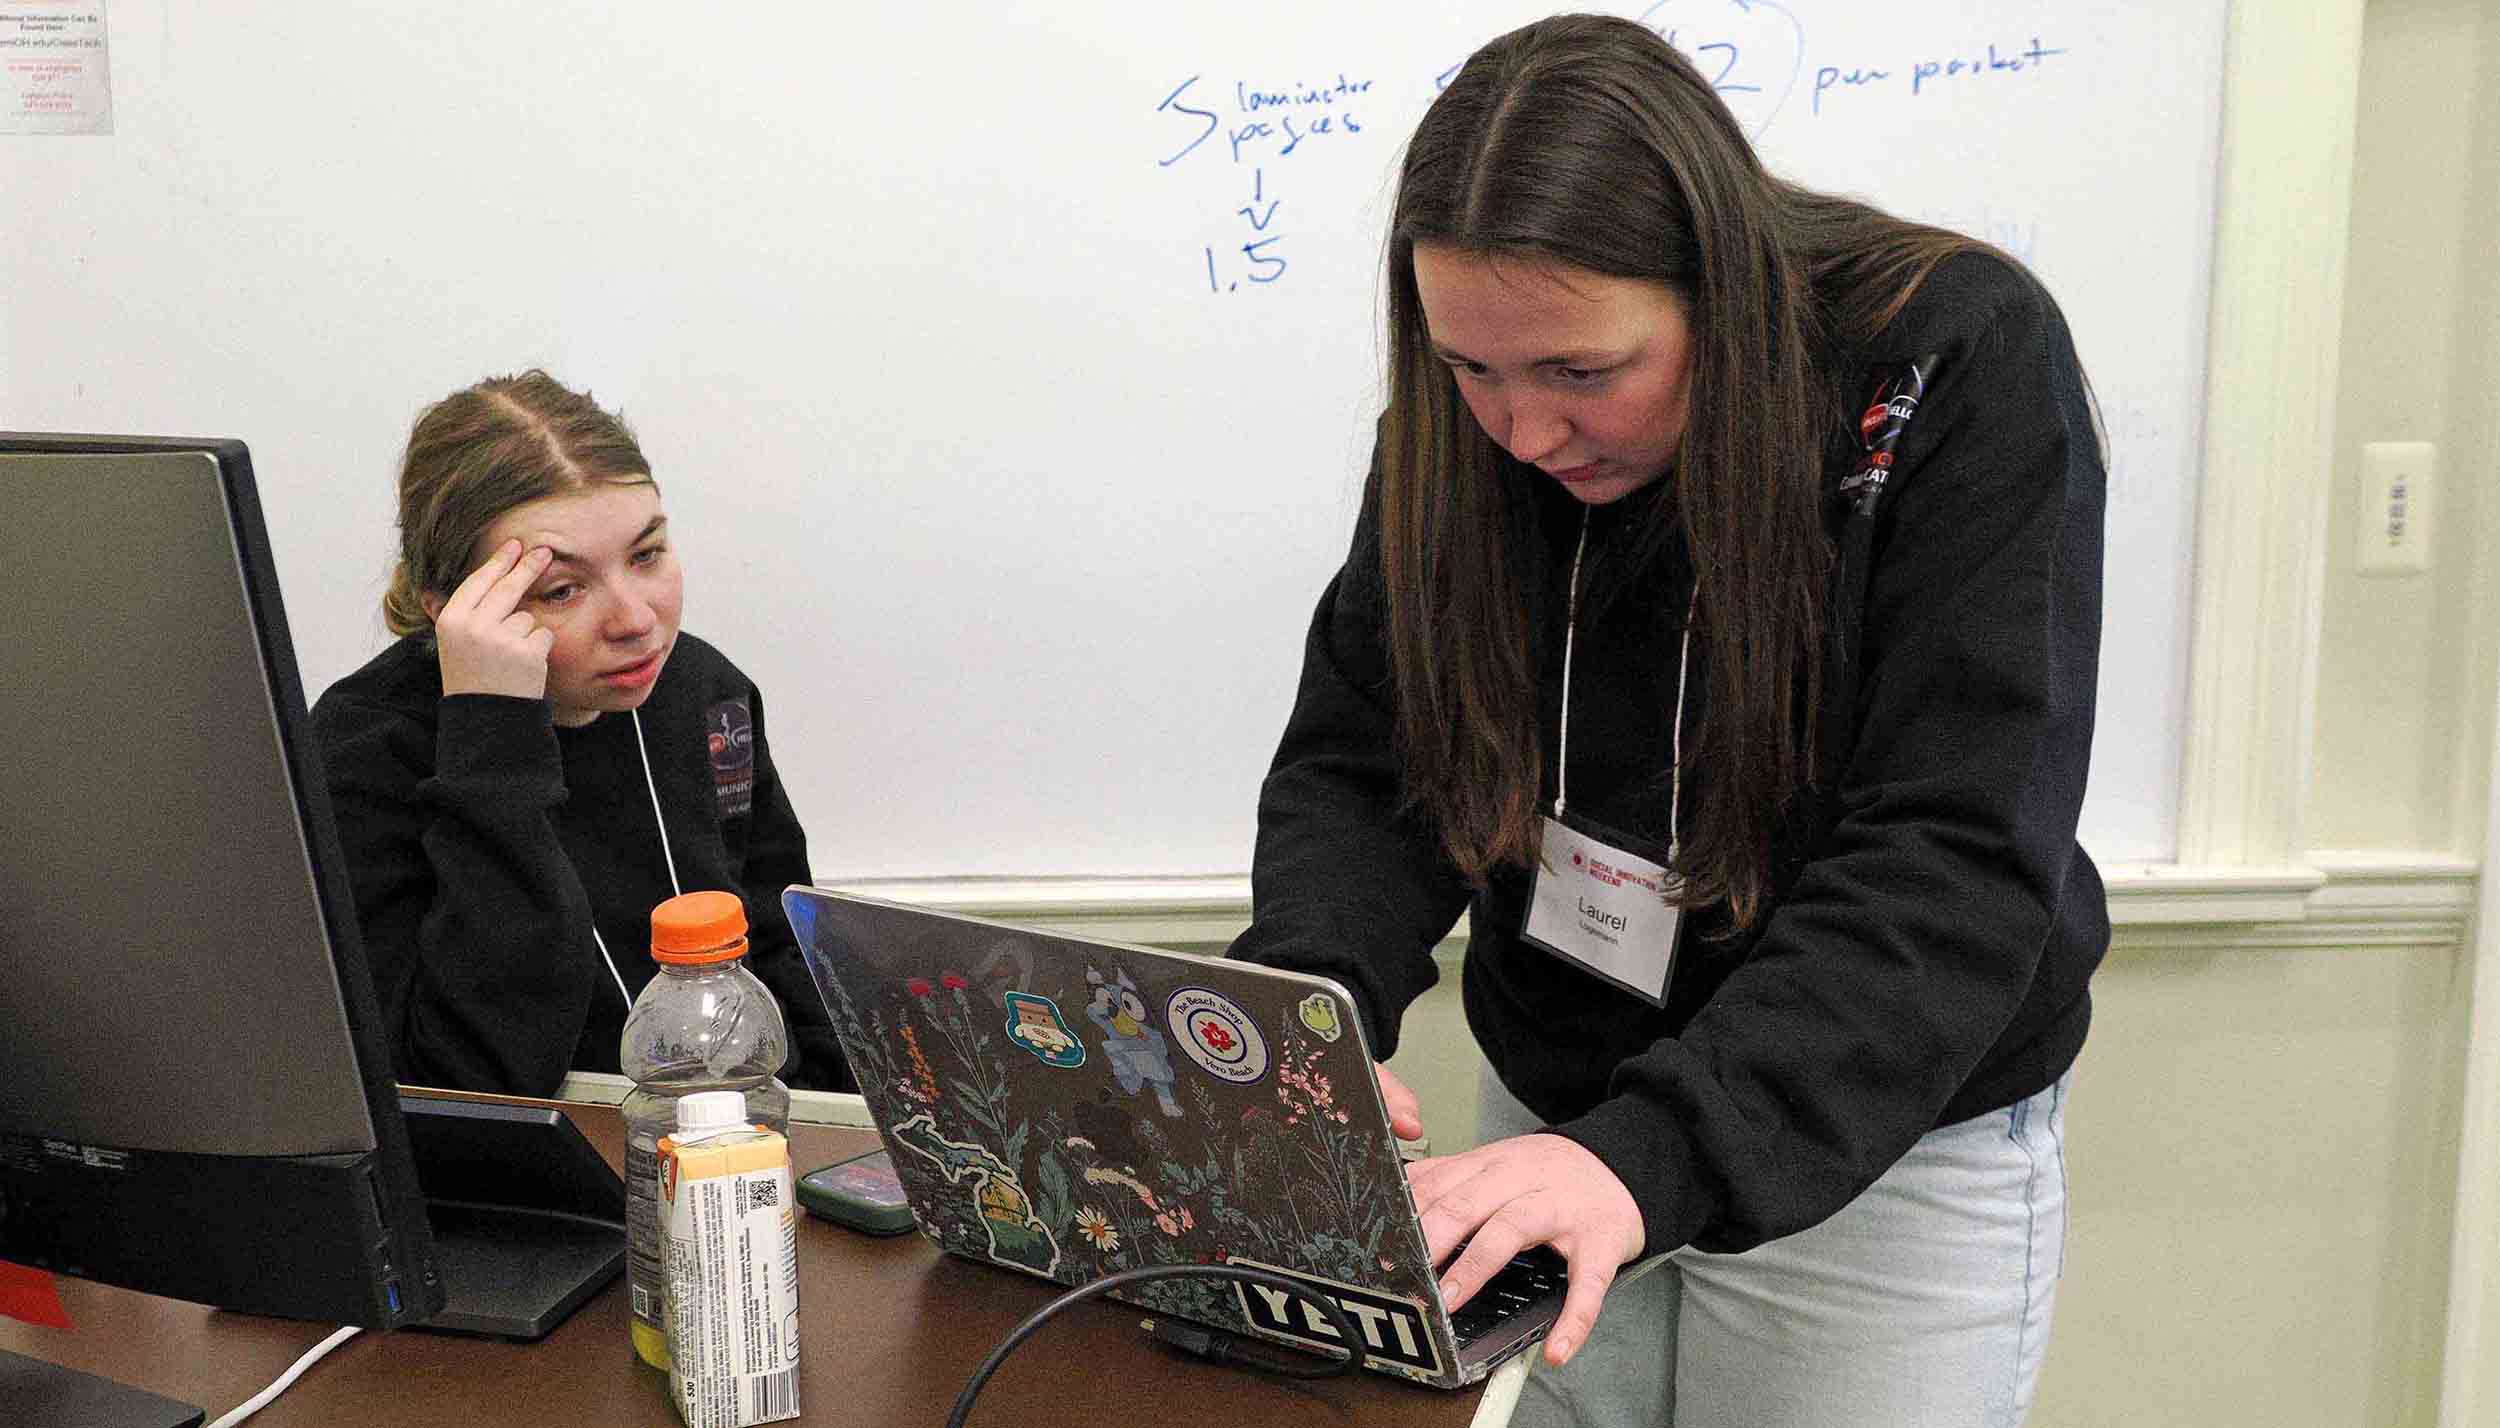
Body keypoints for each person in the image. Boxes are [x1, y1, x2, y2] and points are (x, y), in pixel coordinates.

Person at [1226, 16, 2103, 1427]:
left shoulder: (1952, 358)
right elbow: (1376, 752)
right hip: (1568, 1103)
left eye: (1584, 374)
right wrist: (1306, 1009)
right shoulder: (1482, 416)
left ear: (1724, 292)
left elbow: (1952, 849)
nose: (1523, 432)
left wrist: (1654, 1154)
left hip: (1873, 1143)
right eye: (1471, 370)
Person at [312, 370, 851, 1095]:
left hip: (739, 1151)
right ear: (451, 607)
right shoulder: (363, 751)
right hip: (534, 1183)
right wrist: (491, 733)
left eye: (647, 554)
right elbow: (471, 1082)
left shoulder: (706, 693)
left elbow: (782, 943)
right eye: (562, 589)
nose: (635, 620)